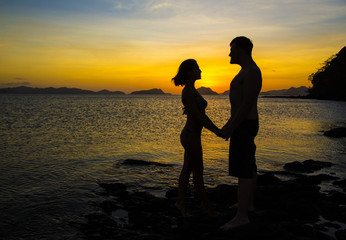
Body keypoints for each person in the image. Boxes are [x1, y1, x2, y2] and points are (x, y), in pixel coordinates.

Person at [220, 36, 262, 231]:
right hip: (242, 124)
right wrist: (229, 124)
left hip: (245, 125)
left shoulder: (252, 71)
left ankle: (242, 216)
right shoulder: (246, 71)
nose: (229, 53)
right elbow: (239, 106)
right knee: (249, 166)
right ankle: (248, 205)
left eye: (232, 49)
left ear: (242, 50)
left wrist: (232, 127)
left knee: (244, 169)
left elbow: (246, 105)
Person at [172, 59, 223, 218]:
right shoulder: (188, 91)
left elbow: (199, 115)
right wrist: (216, 131)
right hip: (191, 136)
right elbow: (199, 116)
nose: (200, 71)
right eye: (197, 68)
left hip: (192, 136)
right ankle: (207, 206)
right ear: (189, 72)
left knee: (187, 170)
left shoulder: (192, 90)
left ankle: (180, 203)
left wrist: (216, 129)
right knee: (198, 172)